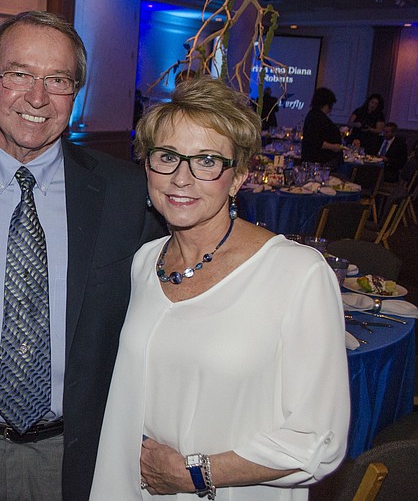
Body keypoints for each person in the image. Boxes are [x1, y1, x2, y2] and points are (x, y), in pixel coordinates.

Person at [0, 10, 165, 501]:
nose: (37, 97)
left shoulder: (125, 194)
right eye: (19, 74)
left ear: (75, 93)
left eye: (58, 80)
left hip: (72, 455)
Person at [91, 78, 349, 501]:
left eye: (207, 161)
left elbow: (318, 439)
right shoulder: (143, 262)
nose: (181, 178)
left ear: (238, 177)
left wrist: (194, 473)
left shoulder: (297, 273)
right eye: (167, 157)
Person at [300, 87, 343, 168]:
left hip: (318, 159)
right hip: (320, 161)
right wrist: (334, 147)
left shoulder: (314, 115)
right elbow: (315, 140)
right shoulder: (317, 117)